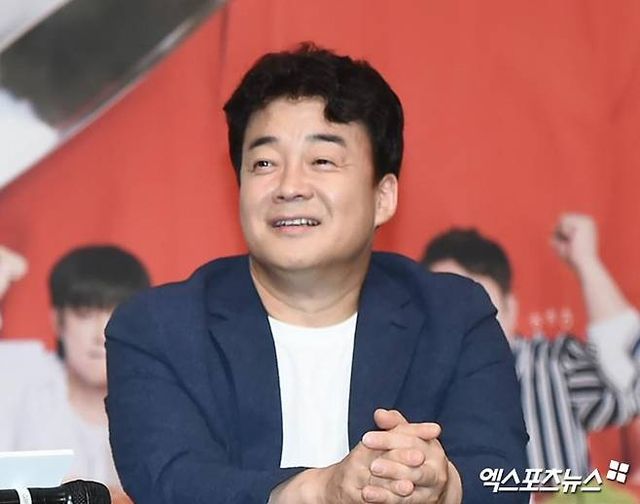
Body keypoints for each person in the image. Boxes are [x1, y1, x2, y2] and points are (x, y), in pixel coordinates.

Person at [105, 44, 528, 504]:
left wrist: (440, 485)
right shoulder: (160, 328)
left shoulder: (453, 316)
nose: (289, 187)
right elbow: (170, 482)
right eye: (264, 163)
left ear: (383, 197)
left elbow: (502, 475)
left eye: (322, 161)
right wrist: (318, 491)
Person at [422, 214, 640, 480]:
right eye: (444, 311)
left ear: (511, 310)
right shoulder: (411, 383)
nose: (461, 328)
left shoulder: (555, 364)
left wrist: (586, 262)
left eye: (479, 311)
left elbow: (632, 387)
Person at [0, 245, 150, 502]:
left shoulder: (165, 400)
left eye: (117, 314)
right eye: (85, 314)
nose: (101, 334)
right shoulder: (21, 372)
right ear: (57, 321)